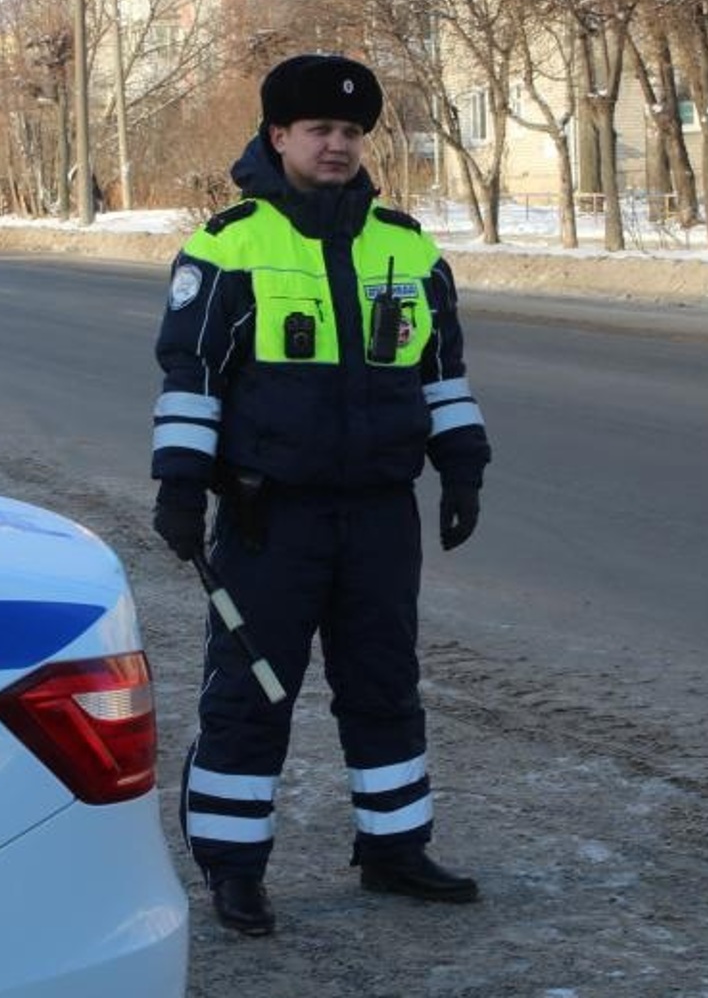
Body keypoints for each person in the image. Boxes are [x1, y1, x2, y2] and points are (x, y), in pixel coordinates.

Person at [149, 53, 491, 937]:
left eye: (349, 132)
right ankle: (234, 869)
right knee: (251, 694)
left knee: (383, 684)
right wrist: (181, 487)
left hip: (380, 513)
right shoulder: (230, 244)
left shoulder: (408, 247)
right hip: (271, 517)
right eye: (318, 131)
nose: (336, 146)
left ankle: (395, 848)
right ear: (279, 138)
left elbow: (441, 373)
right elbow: (192, 379)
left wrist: (462, 468)